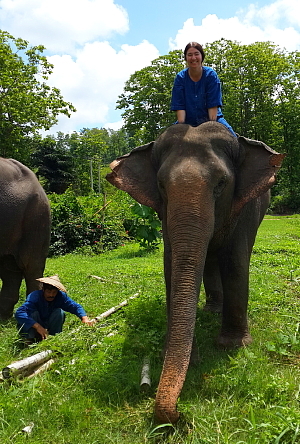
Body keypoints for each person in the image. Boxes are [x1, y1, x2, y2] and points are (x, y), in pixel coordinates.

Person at [171, 41, 236, 137]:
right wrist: (181, 129)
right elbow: (180, 110)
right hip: (187, 122)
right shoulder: (180, 77)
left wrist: (210, 130)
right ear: (185, 58)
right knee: (163, 143)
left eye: (196, 54)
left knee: (234, 140)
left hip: (213, 119)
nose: (193, 58)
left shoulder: (211, 75)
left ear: (202, 56)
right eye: (190, 55)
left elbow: (213, 110)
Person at [15, 275, 95, 343]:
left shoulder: (61, 296)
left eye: (54, 292)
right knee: (33, 313)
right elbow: (19, 312)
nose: (51, 295)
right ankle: (29, 340)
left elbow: (75, 306)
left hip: (47, 323)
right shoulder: (35, 296)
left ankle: (53, 338)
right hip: (34, 324)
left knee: (59, 312)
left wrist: (84, 318)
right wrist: (37, 326)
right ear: (43, 290)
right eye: (48, 292)